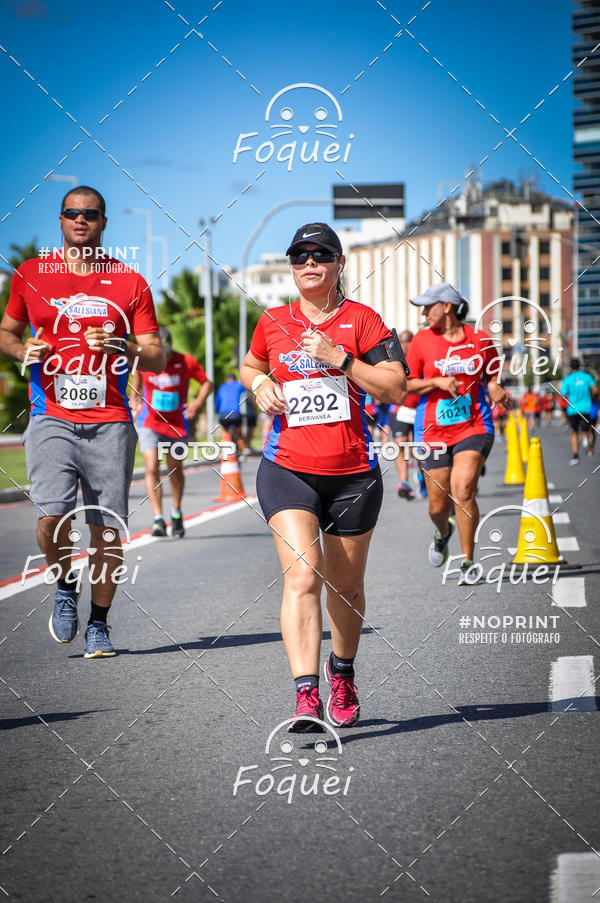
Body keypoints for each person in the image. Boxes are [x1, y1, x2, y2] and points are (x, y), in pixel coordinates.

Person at [240, 223, 407, 731]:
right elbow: (248, 366)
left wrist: (342, 359)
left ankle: (343, 672)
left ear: (338, 263)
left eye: (320, 255)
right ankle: (306, 697)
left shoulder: (363, 320)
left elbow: (396, 387)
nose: (309, 264)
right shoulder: (272, 321)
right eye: (299, 256)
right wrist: (262, 381)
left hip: (353, 474)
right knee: (303, 577)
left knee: (347, 586)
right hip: (287, 467)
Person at [0, 186, 165, 657]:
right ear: (60, 220)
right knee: (50, 519)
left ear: (103, 222)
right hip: (50, 414)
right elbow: (7, 332)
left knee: (106, 529)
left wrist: (125, 347)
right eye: (72, 213)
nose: (80, 220)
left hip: (111, 420)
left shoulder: (130, 282)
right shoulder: (30, 275)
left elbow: (156, 354)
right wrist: (20, 350)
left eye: (90, 214)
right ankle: (66, 585)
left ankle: (99, 623)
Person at [406, 283, 510, 585]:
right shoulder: (422, 341)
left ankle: (467, 561)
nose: (424, 313)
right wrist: (436, 382)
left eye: (428, 307)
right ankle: (442, 532)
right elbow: (406, 383)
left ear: (447, 306)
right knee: (438, 504)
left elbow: (492, 373)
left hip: (474, 424)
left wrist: (493, 385)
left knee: (463, 490)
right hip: (432, 430)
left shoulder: (479, 339)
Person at [129, 326, 212, 537]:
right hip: (150, 423)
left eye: (164, 350)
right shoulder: (145, 361)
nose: (161, 355)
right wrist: (134, 400)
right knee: (151, 468)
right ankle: (158, 519)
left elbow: (206, 383)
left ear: (170, 346)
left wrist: (197, 403)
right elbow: (136, 381)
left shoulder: (186, 362)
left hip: (176, 425)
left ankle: (176, 512)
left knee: (175, 469)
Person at [392, 329, 427, 499]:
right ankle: (404, 483)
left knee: (418, 449)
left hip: (419, 408)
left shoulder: (419, 357)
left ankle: (421, 476)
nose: (405, 345)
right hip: (401, 408)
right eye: (402, 341)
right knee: (400, 445)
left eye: (408, 341)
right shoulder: (394, 359)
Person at [560, 357, 598, 465]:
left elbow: (563, 394)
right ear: (579, 366)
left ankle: (576, 455)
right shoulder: (587, 377)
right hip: (586, 408)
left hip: (573, 409)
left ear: (570, 367)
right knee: (587, 428)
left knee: (574, 432)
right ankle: (586, 438)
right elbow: (595, 390)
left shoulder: (567, 379)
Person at [214, 373, 246, 452]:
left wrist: (216, 412)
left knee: (225, 431)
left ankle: (226, 451)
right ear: (235, 379)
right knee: (239, 433)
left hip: (223, 414)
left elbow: (217, 402)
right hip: (235, 414)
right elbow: (247, 388)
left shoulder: (222, 386)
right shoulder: (238, 385)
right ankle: (241, 452)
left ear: (226, 379)